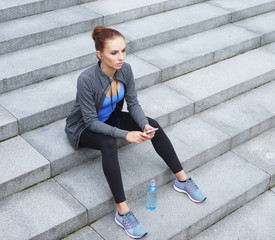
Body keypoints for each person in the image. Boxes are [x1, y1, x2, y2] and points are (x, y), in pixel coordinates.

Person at [64, 26, 206, 239]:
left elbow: (133, 103)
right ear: (99, 55)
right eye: (114, 53)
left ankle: (182, 179)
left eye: (123, 50)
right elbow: (91, 121)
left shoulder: (126, 70)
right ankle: (123, 211)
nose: (120, 57)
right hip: (83, 128)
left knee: (153, 123)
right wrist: (124, 134)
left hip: (111, 117)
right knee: (109, 143)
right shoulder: (87, 79)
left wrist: (143, 125)